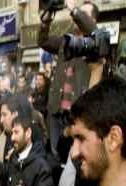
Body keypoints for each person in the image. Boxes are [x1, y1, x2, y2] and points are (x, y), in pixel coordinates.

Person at [39, 0, 99, 160]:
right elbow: (42, 41)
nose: (77, 16)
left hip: (76, 117)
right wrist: (46, 20)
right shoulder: (65, 42)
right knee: (54, 158)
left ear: (93, 20)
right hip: (55, 112)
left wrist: (73, 9)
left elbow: (94, 31)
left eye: (83, 14)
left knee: (75, 161)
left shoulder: (95, 44)